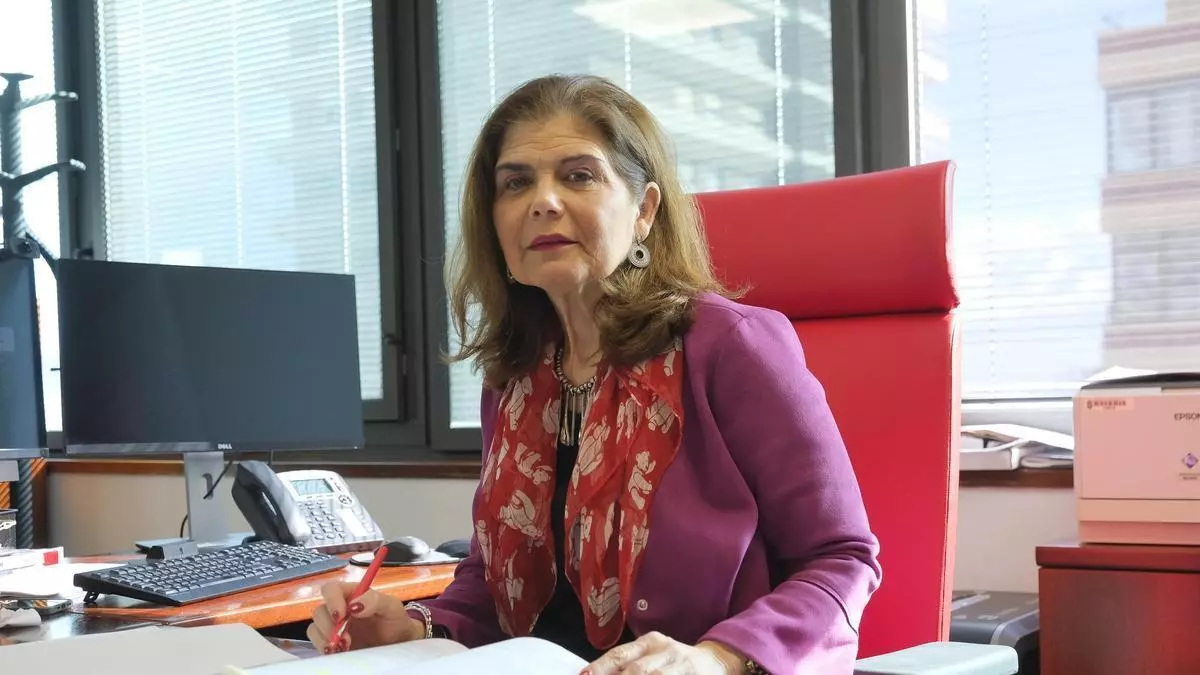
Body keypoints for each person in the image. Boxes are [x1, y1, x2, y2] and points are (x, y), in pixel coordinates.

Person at [308, 74, 882, 674]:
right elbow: (493, 582)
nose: (543, 201)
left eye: (579, 175)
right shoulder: (514, 377)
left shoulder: (730, 346)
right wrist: (415, 627)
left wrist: (718, 658)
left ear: (644, 211)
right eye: (515, 182)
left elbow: (843, 559)